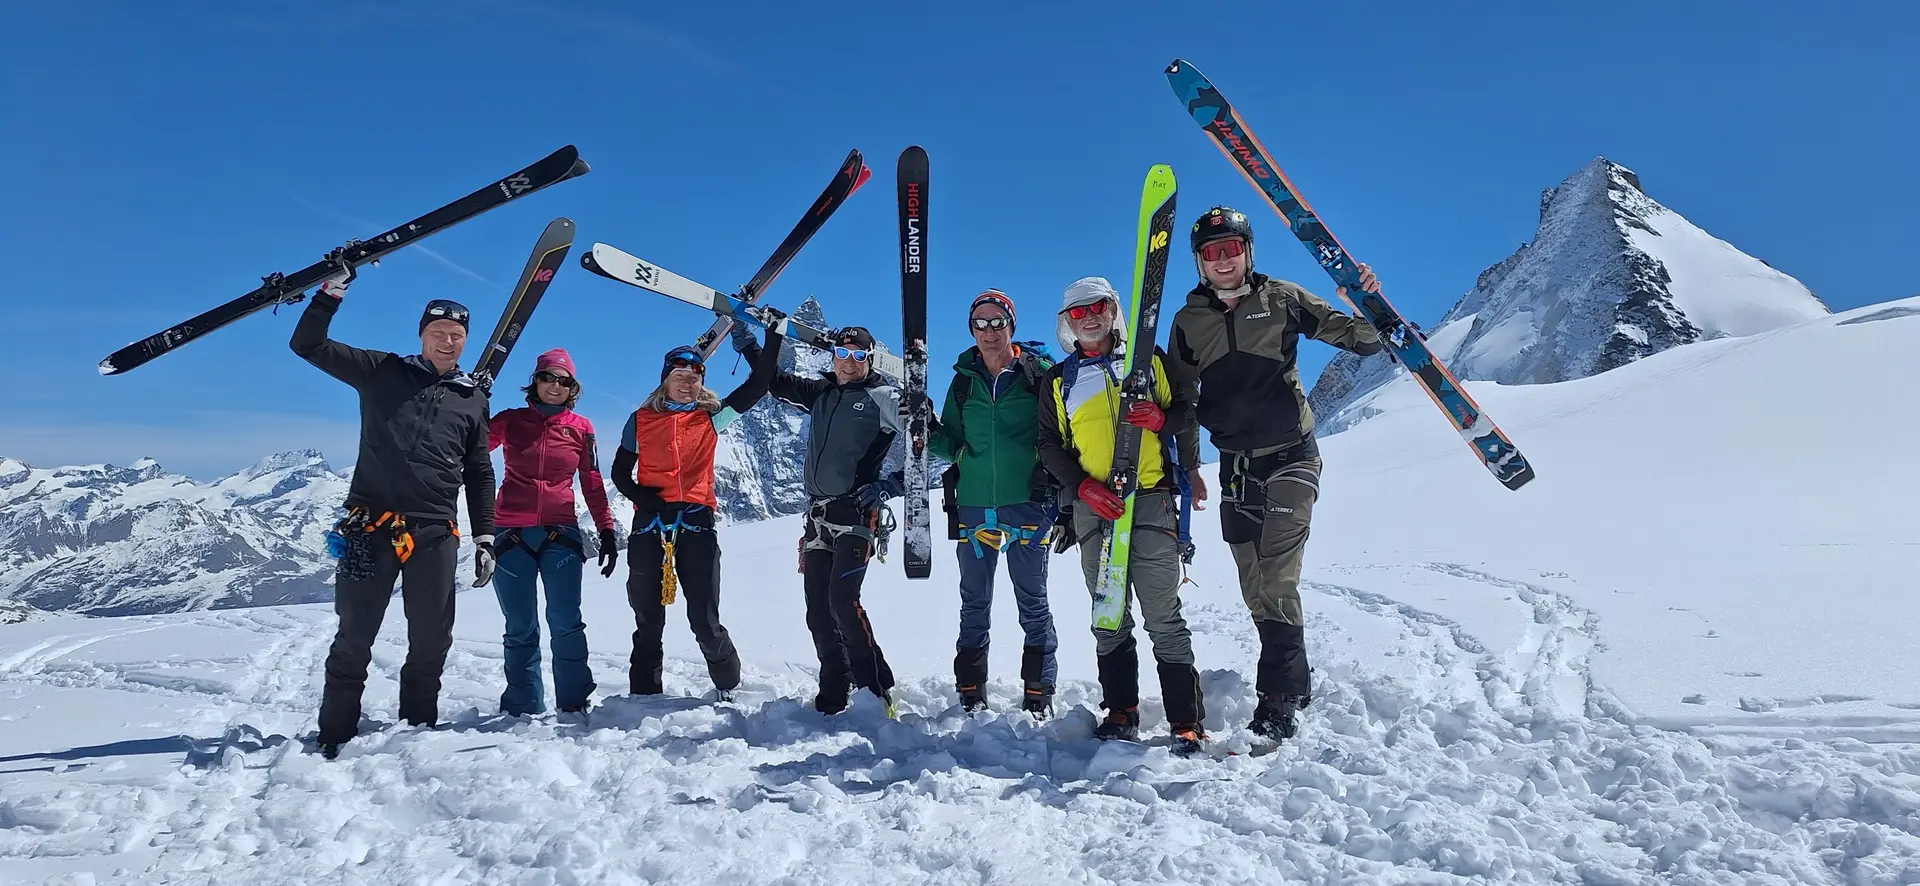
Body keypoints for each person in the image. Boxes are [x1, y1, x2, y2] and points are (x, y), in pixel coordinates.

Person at [1169, 206, 1388, 744]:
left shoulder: (1283, 298)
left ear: (1248, 252)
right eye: (1212, 252)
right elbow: (1182, 401)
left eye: (1232, 248)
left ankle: (1278, 700)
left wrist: (1367, 301)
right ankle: (1297, 679)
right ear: (1200, 262)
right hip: (1236, 469)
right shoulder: (1187, 321)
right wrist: (1191, 467)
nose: (1223, 259)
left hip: (1293, 456)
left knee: (1278, 576)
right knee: (1255, 586)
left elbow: (1364, 340)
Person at [289, 267, 496, 760]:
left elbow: (480, 471)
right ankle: (334, 736)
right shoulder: (380, 371)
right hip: (370, 527)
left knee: (431, 639)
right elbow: (308, 345)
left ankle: (415, 733)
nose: (448, 342)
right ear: (421, 334)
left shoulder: (472, 399)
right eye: (438, 333)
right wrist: (329, 294)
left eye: (457, 336)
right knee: (355, 636)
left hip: (435, 532)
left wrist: (485, 536)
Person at [1035, 275, 1208, 752]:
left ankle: (1186, 720)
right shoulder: (1059, 380)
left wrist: (1161, 420)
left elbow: (1188, 413)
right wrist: (1082, 488)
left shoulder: (1148, 361)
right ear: (1067, 323)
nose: (1089, 317)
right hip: (1095, 507)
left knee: (1163, 614)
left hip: (1150, 497)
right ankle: (1121, 709)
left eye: (1098, 307)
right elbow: (1049, 446)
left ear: (1113, 310)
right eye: (1078, 312)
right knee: (1108, 615)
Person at [731, 318, 904, 716]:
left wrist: (889, 485)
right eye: (841, 353)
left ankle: (874, 690)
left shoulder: (882, 397)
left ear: (870, 358)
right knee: (817, 609)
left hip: (857, 514)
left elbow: (926, 444)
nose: (848, 362)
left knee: (843, 602)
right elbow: (773, 381)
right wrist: (746, 343)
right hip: (817, 518)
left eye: (857, 355)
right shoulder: (822, 392)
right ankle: (835, 687)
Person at [609, 329, 781, 701]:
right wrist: (642, 496)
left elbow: (761, 382)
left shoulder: (711, 419)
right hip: (649, 525)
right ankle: (644, 693)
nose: (687, 383)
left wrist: (770, 336)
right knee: (647, 616)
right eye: (679, 376)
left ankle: (728, 686)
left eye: (694, 377)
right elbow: (620, 472)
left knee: (703, 618)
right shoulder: (639, 421)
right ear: (665, 380)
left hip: (696, 523)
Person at [923, 290, 1060, 718]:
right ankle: (970, 687)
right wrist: (924, 425)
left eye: (996, 322)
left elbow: (1063, 428)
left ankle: (1039, 690)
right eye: (979, 324)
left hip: (1028, 503)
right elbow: (950, 441)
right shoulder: (963, 380)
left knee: (1032, 597)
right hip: (975, 505)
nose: (988, 331)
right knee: (974, 598)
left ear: (1011, 326)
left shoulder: (1037, 374)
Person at [485, 348, 618, 717]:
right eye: (548, 377)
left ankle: (574, 703)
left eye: (564, 381)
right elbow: (474, 448)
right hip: (510, 532)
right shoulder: (510, 421)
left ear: (572, 387)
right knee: (519, 625)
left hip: (561, 532)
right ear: (536, 381)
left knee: (565, 619)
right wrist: (472, 408)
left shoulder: (581, 428)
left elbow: (591, 482)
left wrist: (606, 530)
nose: (555, 386)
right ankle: (522, 707)